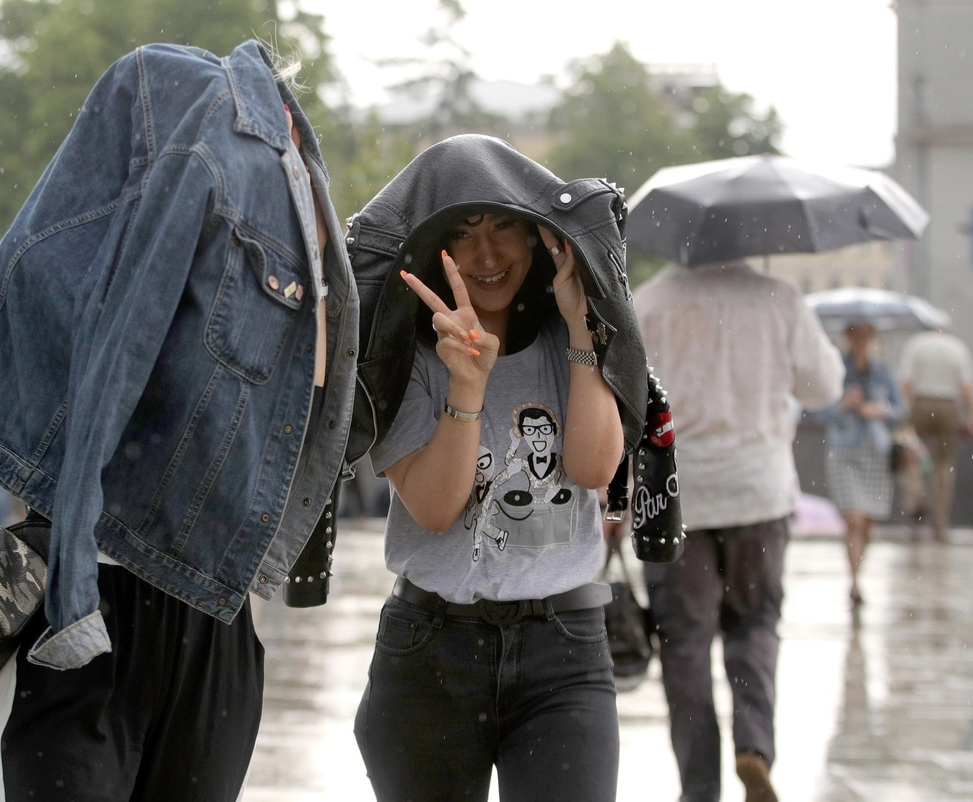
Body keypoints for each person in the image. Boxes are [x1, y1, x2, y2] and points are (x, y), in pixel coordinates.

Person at [0, 41, 357, 801]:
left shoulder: (241, 177)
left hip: (155, 603)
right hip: (158, 606)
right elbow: (118, 368)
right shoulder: (221, 161)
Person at [347, 135, 653, 802]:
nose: (486, 255)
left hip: (564, 652)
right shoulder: (404, 358)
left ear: (538, 238)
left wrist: (581, 326)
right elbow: (435, 508)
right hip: (430, 650)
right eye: (463, 232)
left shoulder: (570, 342)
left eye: (503, 227)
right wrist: (466, 383)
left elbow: (594, 468)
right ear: (437, 249)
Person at [631, 259, 844, 802]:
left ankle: (699, 786)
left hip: (676, 497)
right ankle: (754, 745)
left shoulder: (650, 302)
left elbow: (625, 400)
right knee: (754, 625)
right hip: (758, 492)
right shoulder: (779, 296)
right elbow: (824, 386)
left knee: (684, 643)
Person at [816, 320, 905, 604]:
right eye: (855, 334)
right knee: (852, 517)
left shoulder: (882, 371)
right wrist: (843, 405)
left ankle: (858, 572)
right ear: (847, 337)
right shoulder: (836, 371)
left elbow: (900, 409)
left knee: (867, 521)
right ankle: (854, 582)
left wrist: (878, 410)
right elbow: (816, 411)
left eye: (865, 335)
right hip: (844, 449)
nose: (860, 341)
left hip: (875, 450)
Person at [898, 325, 973, 541]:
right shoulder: (957, 348)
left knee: (912, 459)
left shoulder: (916, 344)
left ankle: (916, 500)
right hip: (948, 406)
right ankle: (939, 522)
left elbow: (905, 382)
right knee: (944, 466)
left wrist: (906, 410)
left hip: (920, 404)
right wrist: (969, 416)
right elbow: (966, 387)